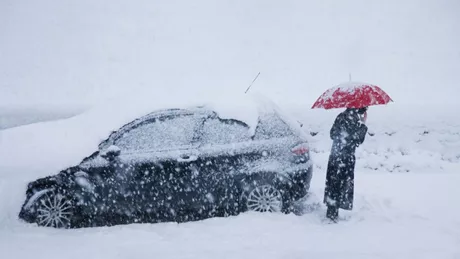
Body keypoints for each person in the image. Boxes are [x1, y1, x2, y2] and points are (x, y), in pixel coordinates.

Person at [324, 106, 368, 222]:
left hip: (335, 156)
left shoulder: (341, 116)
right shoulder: (355, 120)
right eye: (365, 108)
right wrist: (363, 124)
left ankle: (331, 209)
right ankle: (333, 212)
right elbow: (358, 139)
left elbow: (332, 134)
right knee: (342, 184)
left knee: (333, 183)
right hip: (346, 157)